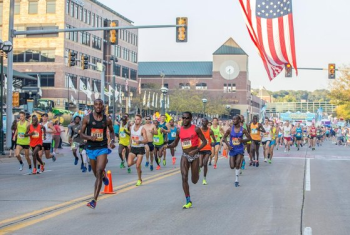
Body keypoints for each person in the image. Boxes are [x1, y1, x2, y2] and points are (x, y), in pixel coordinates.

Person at [81, 99, 116, 209]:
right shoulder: (87, 118)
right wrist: (89, 137)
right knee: (97, 175)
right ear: (93, 106)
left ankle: (94, 200)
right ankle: (104, 176)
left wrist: (112, 140)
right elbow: (81, 134)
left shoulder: (107, 120)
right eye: (96, 104)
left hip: (102, 148)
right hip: (91, 148)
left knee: (99, 170)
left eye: (100, 104)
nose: (98, 106)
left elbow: (111, 131)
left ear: (103, 106)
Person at [167, 112, 207, 209]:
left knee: (194, 180)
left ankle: (197, 171)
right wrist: (166, 146)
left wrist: (196, 150)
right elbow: (175, 143)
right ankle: (188, 200)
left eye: (187, 118)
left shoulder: (196, 129)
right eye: (183, 118)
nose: (185, 120)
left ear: (191, 119)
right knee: (184, 177)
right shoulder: (179, 130)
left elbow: (205, 141)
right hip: (185, 155)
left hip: (195, 155)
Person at [223, 115, 252, 187]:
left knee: (238, 164)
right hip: (232, 149)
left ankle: (236, 180)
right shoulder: (230, 129)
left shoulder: (243, 129)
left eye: (235, 119)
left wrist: (242, 140)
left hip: (240, 149)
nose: (233, 120)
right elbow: (224, 137)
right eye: (233, 119)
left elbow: (249, 138)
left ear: (239, 120)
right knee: (232, 166)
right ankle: (238, 167)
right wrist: (228, 145)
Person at [128, 114, 148, 186]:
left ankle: (139, 179)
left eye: (138, 119)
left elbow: (146, 140)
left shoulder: (142, 129)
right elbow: (131, 136)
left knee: (137, 166)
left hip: (140, 148)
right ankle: (137, 162)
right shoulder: (131, 127)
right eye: (135, 119)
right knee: (129, 164)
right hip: (133, 148)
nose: (136, 120)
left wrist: (140, 141)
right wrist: (129, 144)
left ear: (140, 121)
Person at [199, 118, 216, 185]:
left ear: (207, 123)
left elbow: (214, 140)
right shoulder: (199, 130)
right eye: (202, 121)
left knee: (205, 163)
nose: (204, 123)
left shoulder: (210, 131)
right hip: (200, 148)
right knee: (200, 164)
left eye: (205, 122)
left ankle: (204, 178)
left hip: (208, 149)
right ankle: (199, 168)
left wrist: (213, 143)